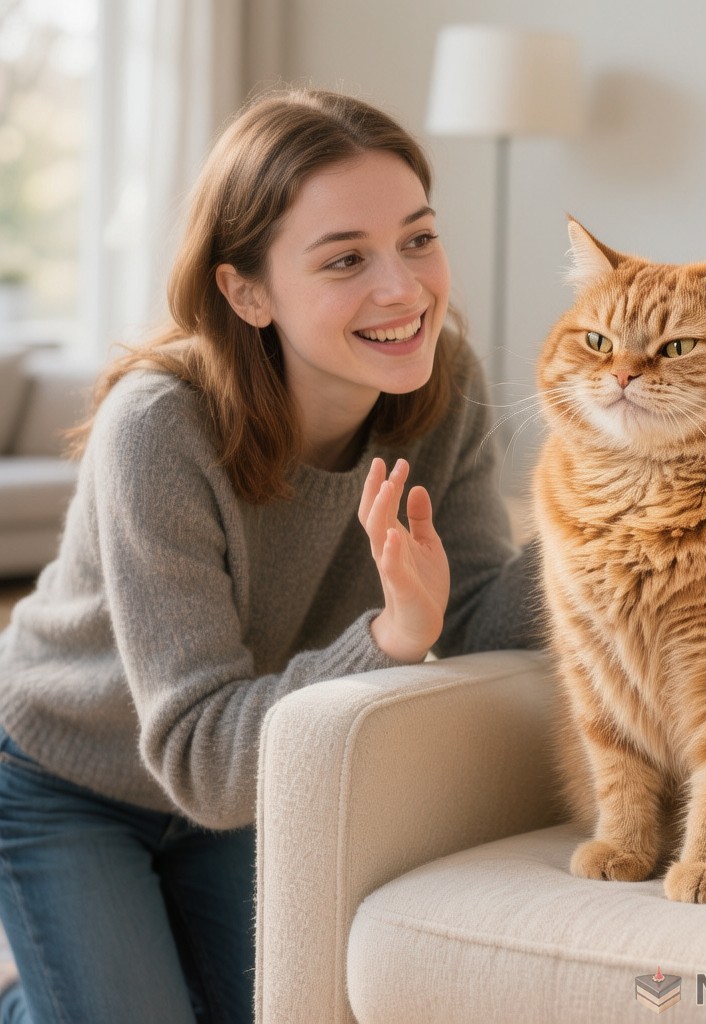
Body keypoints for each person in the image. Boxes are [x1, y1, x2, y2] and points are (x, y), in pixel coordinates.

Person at [0, 88, 541, 1024]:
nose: (404, 290)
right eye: (345, 260)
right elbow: (200, 753)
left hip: (248, 780)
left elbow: (482, 617)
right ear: (246, 291)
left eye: (418, 238)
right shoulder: (159, 428)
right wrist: (389, 633)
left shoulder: (443, 389)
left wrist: (605, 520)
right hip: (70, 777)